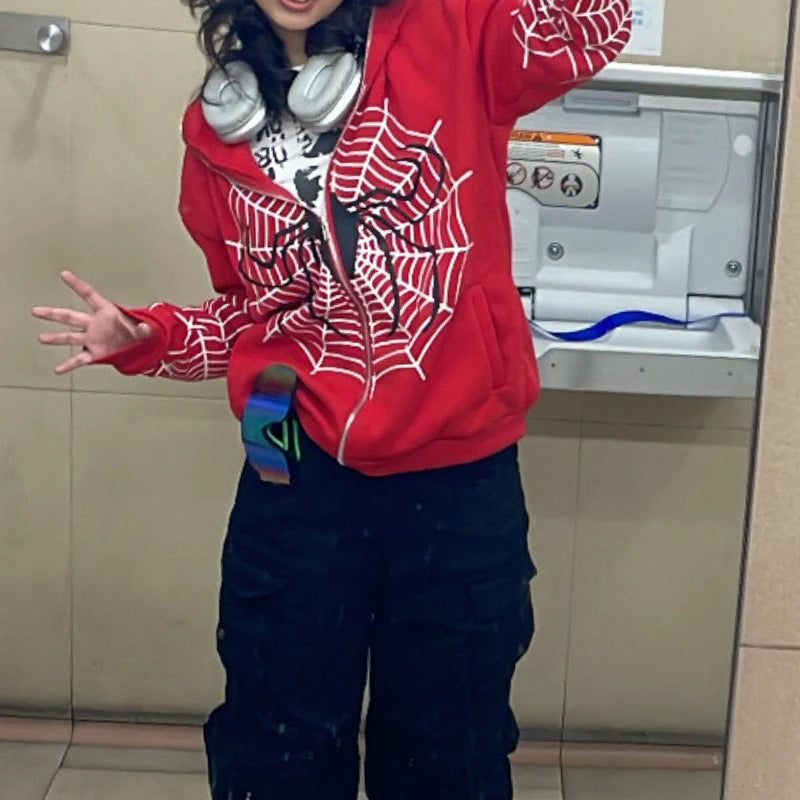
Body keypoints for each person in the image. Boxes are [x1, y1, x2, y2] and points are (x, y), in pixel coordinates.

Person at [32, 0, 632, 797]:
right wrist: (149, 338)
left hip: (457, 457)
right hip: (282, 446)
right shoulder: (214, 130)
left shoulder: (453, 33)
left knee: (447, 749)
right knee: (276, 741)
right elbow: (253, 318)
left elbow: (594, 25)